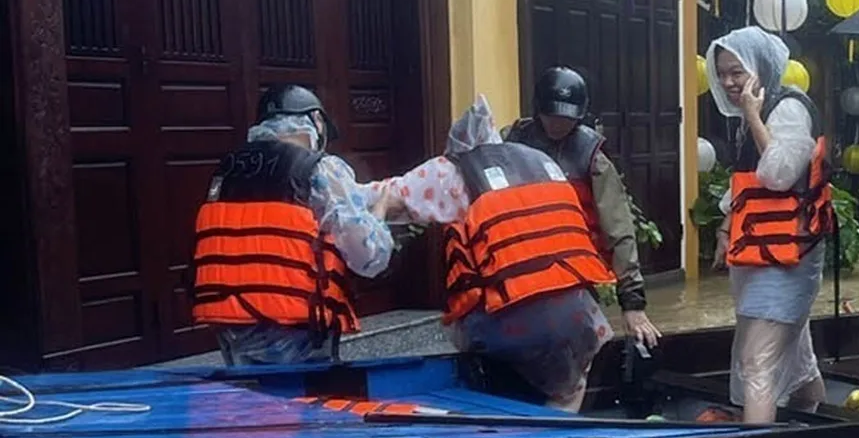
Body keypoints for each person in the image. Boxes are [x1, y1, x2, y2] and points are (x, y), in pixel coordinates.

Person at [388, 97, 616, 411]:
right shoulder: (543, 164)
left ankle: (511, 434)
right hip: (580, 319)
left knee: (486, 362)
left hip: (503, 324)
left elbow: (386, 198)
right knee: (568, 387)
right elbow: (615, 228)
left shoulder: (452, 173)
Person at [190, 85, 402, 365]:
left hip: (230, 322)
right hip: (295, 326)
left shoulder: (227, 170)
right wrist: (379, 212)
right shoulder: (319, 169)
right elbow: (369, 256)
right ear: (316, 122)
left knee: (254, 401)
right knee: (299, 404)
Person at [709, 27, 832, 424]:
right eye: (722, 73)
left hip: (787, 257)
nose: (728, 82)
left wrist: (751, 114)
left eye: (737, 73)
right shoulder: (757, 114)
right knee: (794, 359)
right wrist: (725, 228)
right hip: (761, 251)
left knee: (755, 362)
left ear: (761, 69)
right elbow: (747, 183)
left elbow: (779, 172)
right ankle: (811, 415)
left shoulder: (789, 109)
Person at [505, 67, 661, 349]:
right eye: (552, 116)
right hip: (519, 272)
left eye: (567, 119)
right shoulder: (509, 143)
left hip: (572, 277)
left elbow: (619, 228)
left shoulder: (592, 158)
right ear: (538, 109)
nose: (558, 124)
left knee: (576, 350)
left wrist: (632, 301)